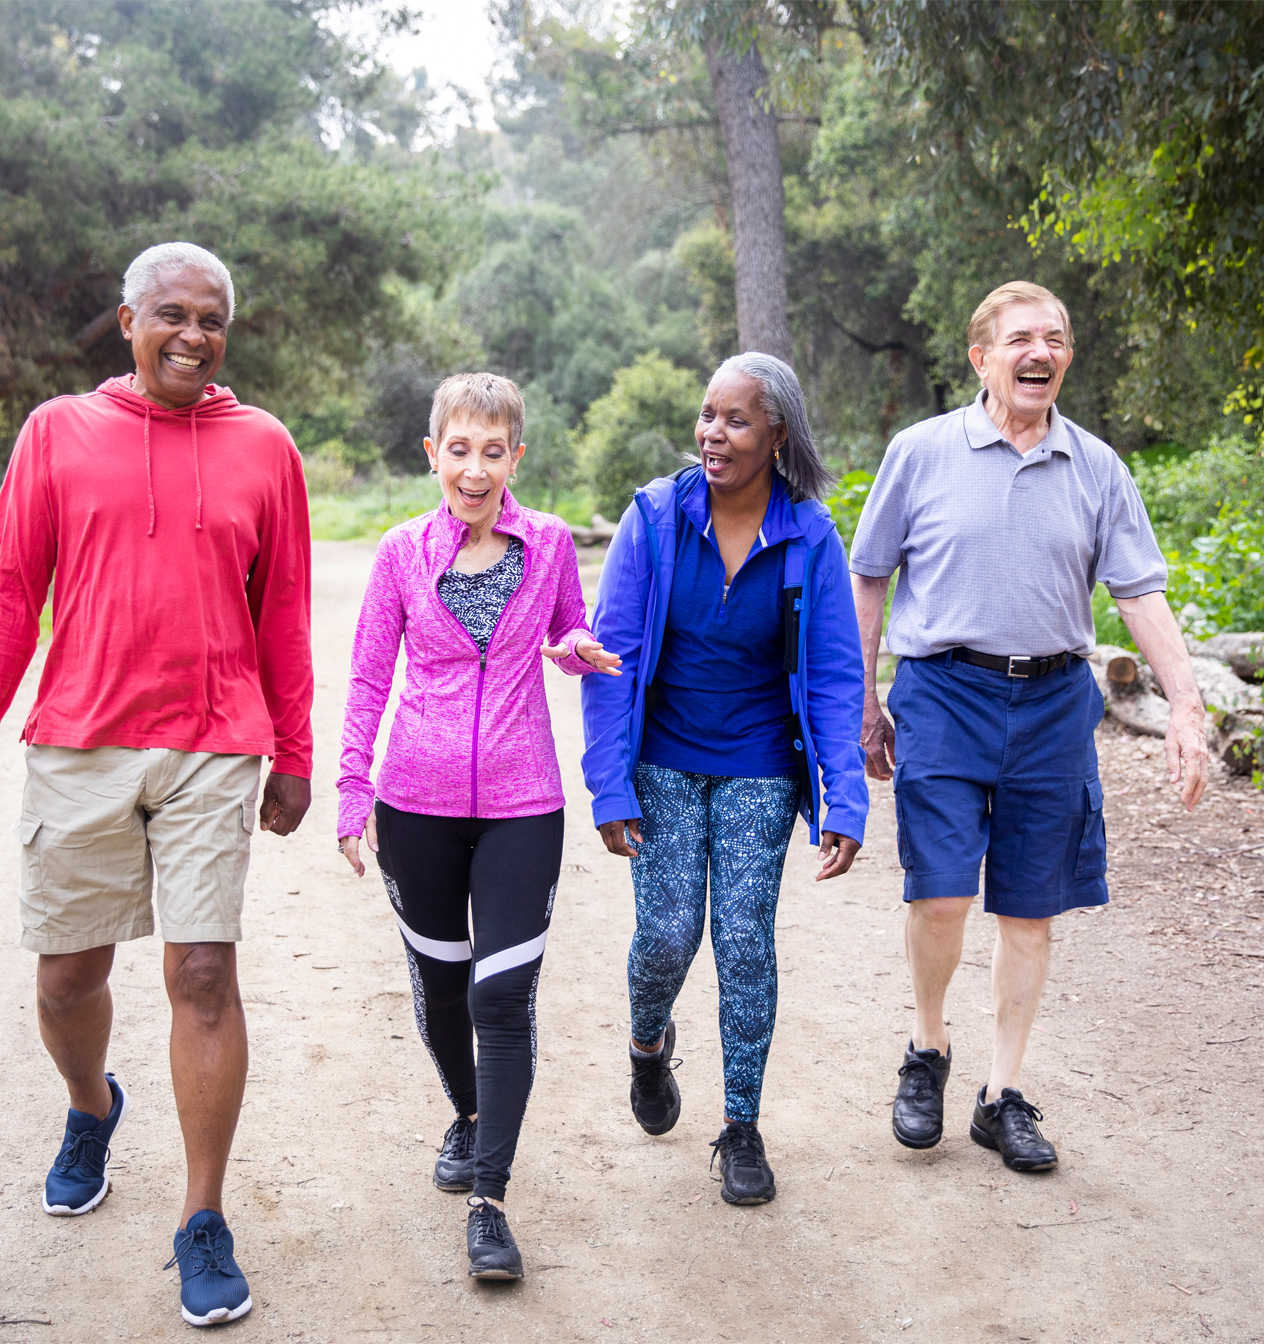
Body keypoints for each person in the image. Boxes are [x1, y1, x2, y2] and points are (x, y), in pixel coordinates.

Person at [0, 242, 313, 1325]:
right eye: (171, 313)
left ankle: (202, 1216)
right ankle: (92, 1105)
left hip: (214, 742)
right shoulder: (56, 433)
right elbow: (9, 592)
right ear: (126, 319)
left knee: (202, 979)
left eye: (212, 318)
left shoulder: (263, 446)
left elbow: (285, 611)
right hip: (79, 738)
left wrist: (297, 754)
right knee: (64, 983)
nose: (193, 333)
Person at [849, 280, 1208, 1172]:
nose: (1038, 351)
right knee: (938, 892)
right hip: (944, 692)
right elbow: (868, 577)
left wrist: (1188, 709)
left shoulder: (1098, 468)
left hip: (1054, 705)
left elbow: (1139, 595)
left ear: (1066, 359)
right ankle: (928, 1050)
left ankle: (1002, 1094)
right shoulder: (921, 452)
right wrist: (862, 700)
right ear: (982, 358)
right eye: (1019, 339)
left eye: (1052, 338)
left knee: (1031, 911)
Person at [336, 372, 619, 1279]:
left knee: (503, 997)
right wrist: (351, 794)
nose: (474, 468)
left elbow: (570, 633)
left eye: (492, 451)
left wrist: (576, 653)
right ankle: (466, 1115)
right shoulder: (399, 553)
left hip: (522, 805)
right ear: (433, 453)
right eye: (458, 449)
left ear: (516, 458)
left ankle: (490, 1198)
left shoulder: (545, 544)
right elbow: (371, 679)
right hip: (412, 807)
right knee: (443, 988)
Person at [580, 352, 868, 1205]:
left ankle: (742, 1124)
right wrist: (610, 786)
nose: (714, 433)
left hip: (758, 766)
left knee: (743, 940)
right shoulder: (655, 518)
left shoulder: (807, 532)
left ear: (778, 432)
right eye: (708, 415)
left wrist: (842, 798)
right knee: (667, 936)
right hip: (663, 757)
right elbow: (610, 661)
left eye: (737, 420)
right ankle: (646, 1044)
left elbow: (833, 675)